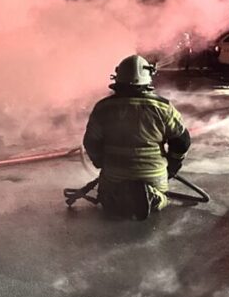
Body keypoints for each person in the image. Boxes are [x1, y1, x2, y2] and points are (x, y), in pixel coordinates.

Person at [82, 55, 191, 220]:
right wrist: (173, 165)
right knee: (162, 194)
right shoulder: (164, 107)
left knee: (106, 197)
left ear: (118, 78)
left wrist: (100, 162)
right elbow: (182, 142)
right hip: (153, 173)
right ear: (147, 78)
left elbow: (90, 142)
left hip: (115, 173)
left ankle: (114, 197)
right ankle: (154, 197)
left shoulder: (103, 107)